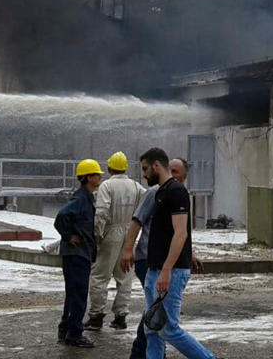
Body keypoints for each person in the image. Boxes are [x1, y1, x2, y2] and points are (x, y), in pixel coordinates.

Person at [140, 148, 216, 359]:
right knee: (152, 328)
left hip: (170, 271)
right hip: (155, 270)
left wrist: (166, 270)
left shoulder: (176, 191)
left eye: (146, 169)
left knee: (168, 329)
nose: (144, 174)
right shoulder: (161, 192)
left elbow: (180, 233)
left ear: (156, 166)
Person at [121, 156, 197, 359]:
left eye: (176, 172)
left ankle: (141, 353)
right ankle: (140, 353)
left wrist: (189, 255)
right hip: (150, 261)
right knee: (154, 321)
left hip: (166, 264)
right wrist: (128, 248)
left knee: (160, 322)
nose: (171, 175)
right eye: (169, 170)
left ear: (184, 176)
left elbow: (181, 233)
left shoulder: (178, 193)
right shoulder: (156, 193)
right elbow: (137, 220)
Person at [85, 151, 145, 331]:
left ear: (109, 167)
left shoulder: (107, 186)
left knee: (99, 276)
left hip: (110, 232)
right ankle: (121, 316)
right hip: (130, 231)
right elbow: (147, 203)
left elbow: (101, 212)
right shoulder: (136, 186)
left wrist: (97, 235)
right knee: (125, 276)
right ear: (125, 167)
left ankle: (96, 316)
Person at [54, 159, 103, 349]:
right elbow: (61, 217)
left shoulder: (86, 197)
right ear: (88, 177)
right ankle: (74, 333)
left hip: (78, 254)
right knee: (78, 295)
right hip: (76, 255)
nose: (99, 177)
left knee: (73, 294)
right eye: (97, 174)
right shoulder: (80, 199)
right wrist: (69, 236)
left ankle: (66, 329)